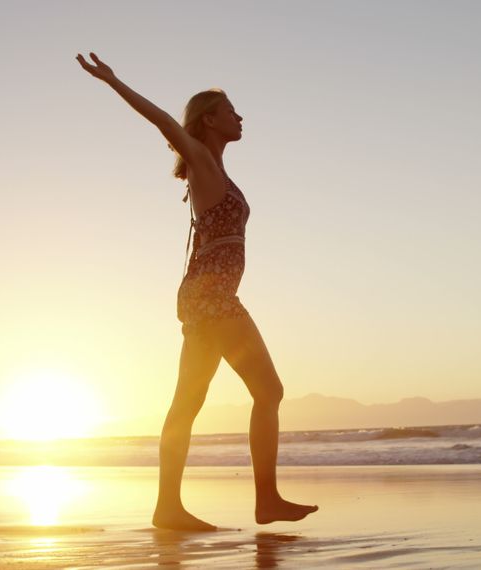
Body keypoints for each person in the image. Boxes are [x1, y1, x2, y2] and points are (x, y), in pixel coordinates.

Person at [77, 52, 318, 531]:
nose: (241, 117)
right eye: (232, 111)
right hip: (212, 298)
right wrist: (113, 81)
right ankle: (264, 501)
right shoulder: (203, 161)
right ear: (209, 120)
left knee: (188, 403)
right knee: (267, 390)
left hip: (204, 297)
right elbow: (163, 120)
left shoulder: (217, 172)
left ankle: (169, 508)